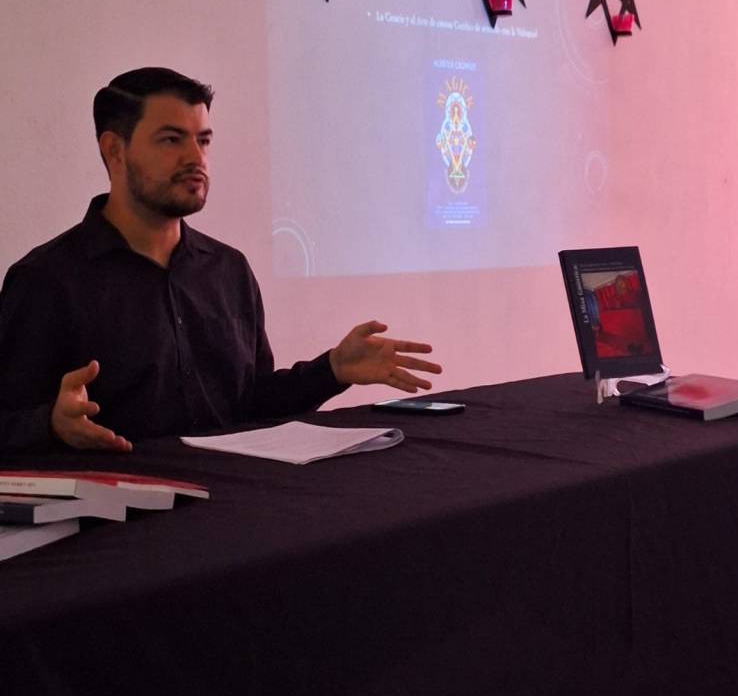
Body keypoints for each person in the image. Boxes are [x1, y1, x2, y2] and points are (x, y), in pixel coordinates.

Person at [0, 67, 441, 453]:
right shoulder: (47, 280)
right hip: (121, 515)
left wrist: (332, 370)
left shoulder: (228, 271)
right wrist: (51, 425)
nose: (196, 158)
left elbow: (250, 404)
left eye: (204, 140)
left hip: (234, 506)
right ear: (115, 150)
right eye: (171, 140)